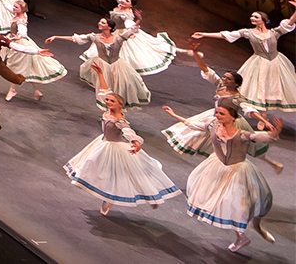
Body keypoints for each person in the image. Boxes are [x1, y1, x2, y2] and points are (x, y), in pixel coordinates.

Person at [182, 104, 284, 252]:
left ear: (233, 117)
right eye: (216, 113)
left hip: (238, 170)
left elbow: (258, 137)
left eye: (221, 113)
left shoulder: (241, 134)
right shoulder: (213, 126)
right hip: (216, 167)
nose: (217, 115)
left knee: (245, 205)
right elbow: (194, 124)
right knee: (217, 201)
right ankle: (242, 237)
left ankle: (255, 227)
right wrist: (175, 116)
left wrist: (274, 133)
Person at [161, 52, 284, 170]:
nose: (224, 79)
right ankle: (214, 165)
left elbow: (250, 110)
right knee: (204, 138)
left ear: (236, 84)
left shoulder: (237, 98)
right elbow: (205, 69)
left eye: (228, 79)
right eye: (224, 76)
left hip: (230, 120)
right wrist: (195, 53)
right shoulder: (221, 86)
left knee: (246, 145)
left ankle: (271, 163)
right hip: (215, 116)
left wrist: (264, 121)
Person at [62, 92, 178, 215]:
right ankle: (106, 197)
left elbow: (128, 131)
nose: (108, 102)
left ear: (120, 104)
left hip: (116, 148)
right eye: (107, 100)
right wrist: (101, 75)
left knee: (125, 175)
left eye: (112, 101)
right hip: (103, 143)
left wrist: (136, 142)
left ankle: (148, 196)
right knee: (94, 166)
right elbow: (103, 90)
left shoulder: (120, 120)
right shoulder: (106, 114)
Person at [189, 2, 296, 110]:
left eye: (256, 16)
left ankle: (266, 110)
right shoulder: (248, 32)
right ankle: (261, 112)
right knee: (259, 85)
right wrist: (205, 34)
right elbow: (227, 34)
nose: (252, 18)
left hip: (275, 61)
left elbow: (290, 23)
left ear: (263, 19)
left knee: (273, 86)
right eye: (252, 16)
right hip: (259, 61)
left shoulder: (274, 32)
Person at [45, 19, 150, 109]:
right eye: (100, 21)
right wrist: (56, 37)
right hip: (102, 65)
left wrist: (138, 21)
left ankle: (119, 109)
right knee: (105, 88)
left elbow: (132, 30)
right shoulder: (94, 37)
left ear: (109, 27)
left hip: (117, 66)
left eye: (103, 22)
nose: (99, 23)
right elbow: (76, 38)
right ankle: (108, 110)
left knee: (119, 87)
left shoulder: (118, 38)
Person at [0, 0, 66, 100]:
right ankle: (36, 90)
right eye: (14, 6)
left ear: (22, 10)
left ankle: (12, 90)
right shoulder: (19, 14)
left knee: (14, 66)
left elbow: (22, 30)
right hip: (15, 40)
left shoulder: (21, 20)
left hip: (20, 43)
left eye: (16, 7)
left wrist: (19, 36)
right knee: (29, 66)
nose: (13, 8)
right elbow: (7, 6)